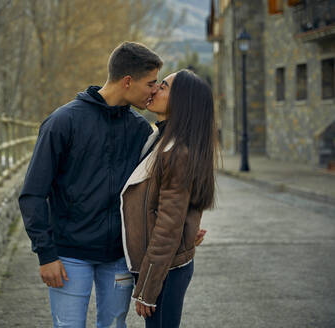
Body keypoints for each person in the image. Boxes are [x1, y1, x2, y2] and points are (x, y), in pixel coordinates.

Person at [19, 41, 162, 327]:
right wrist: (46, 254)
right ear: (128, 81)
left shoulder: (140, 130)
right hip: (70, 255)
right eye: (151, 83)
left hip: (119, 257)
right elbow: (33, 194)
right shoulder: (63, 122)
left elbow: (154, 194)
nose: (154, 91)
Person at [120, 69, 217, 328]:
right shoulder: (160, 140)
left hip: (165, 271)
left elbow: (167, 228)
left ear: (181, 102)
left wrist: (148, 288)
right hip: (164, 266)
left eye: (162, 87)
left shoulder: (177, 152)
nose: (154, 90)